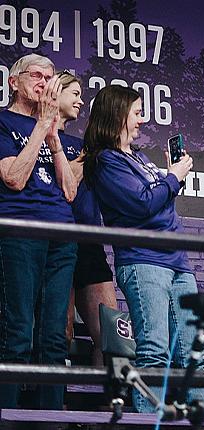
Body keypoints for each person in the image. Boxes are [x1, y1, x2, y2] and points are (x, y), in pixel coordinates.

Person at [82, 85, 204, 414]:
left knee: (193, 355)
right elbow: (143, 203)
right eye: (138, 112)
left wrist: (166, 184)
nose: (143, 119)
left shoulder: (140, 159)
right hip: (143, 261)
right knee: (154, 351)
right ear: (118, 114)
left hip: (178, 262)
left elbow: (161, 207)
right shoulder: (106, 161)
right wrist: (171, 178)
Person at [0, 54, 77, 410]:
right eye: (37, 75)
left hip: (61, 235)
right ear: (14, 82)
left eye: (50, 77)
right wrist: (40, 125)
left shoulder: (49, 127)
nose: (44, 82)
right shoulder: (3, 121)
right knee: (18, 331)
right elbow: (14, 178)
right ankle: (10, 414)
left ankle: (50, 417)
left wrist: (54, 137)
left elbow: (70, 190)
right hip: (21, 231)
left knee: (55, 336)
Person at [53, 70, 118, 368]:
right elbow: (67, 186)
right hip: (56, 242)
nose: (80, 100)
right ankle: (58, 411)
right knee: (60, 331)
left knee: (112, 337)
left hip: (90, 241)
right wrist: (88, 151)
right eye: (75, 93)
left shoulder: (85, 144)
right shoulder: (44, 141)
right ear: (55, 93)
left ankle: (108, 411)